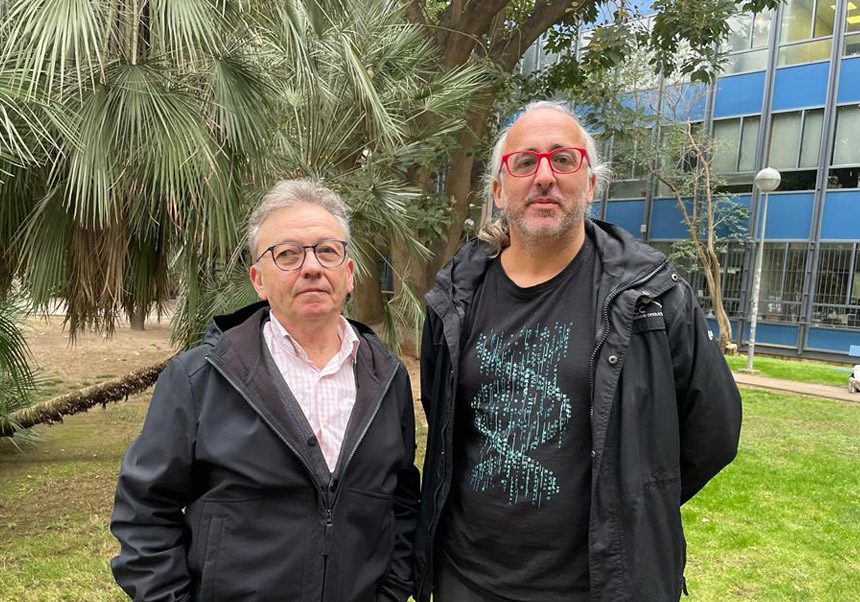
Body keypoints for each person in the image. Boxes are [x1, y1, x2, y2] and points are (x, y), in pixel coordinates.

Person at [414, 101, 742, 602]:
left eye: (563, 159)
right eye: (525, 162)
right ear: (500, 191)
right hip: (466, 579)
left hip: (598, 586)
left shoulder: (652, 295)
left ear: (589, 183)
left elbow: (713, 432)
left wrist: (632, 502)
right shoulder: (454, 297)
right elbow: (443, 420)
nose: (544, 176)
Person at [111, 179, 420, 602]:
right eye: (287, 254)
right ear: (258, 279)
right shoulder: (198, 378)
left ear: (348, 274)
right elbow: (143, 515)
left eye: (327, 250)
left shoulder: (387, 378)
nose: (311, 267)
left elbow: (401, 501)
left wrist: (391, 593)